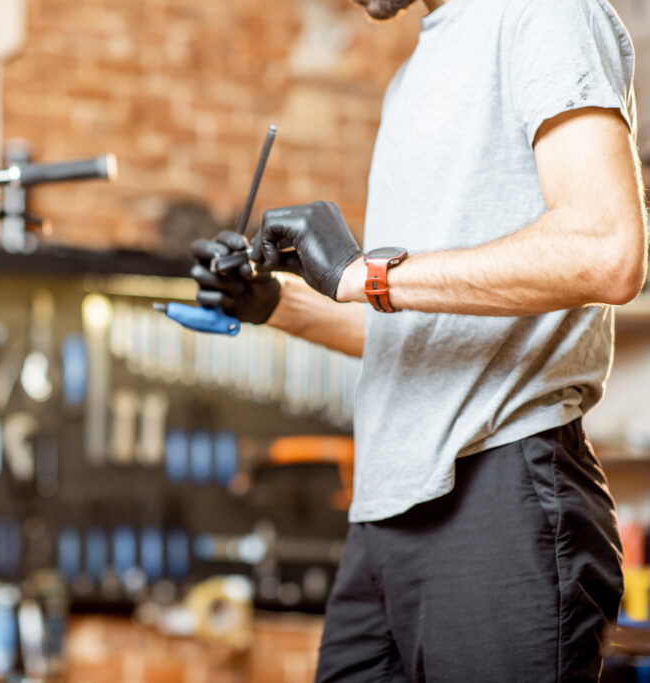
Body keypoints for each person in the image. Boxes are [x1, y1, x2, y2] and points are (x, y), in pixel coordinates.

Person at [191, 0, 647, 679]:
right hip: (382, 519)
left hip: (497, 492)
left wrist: (364, 273)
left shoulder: (543, 14)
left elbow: (607, 248)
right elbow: (407, 324)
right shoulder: (411, 77)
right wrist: (274, 304)